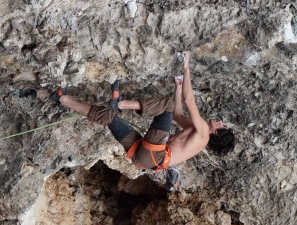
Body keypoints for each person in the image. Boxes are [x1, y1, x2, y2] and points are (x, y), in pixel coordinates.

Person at [51, 51, 234, 191]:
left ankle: (120, 103)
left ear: (217, 132)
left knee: (164, 105)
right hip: (144, 159)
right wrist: (178, 87)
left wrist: (186, 66)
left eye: (222, 125)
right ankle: (62, 99)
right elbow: (177, 115)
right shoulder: (198, 135)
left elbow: (189, 101)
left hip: (154, 154)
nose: (219, 121)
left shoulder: (203, 132)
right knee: (109, 118)